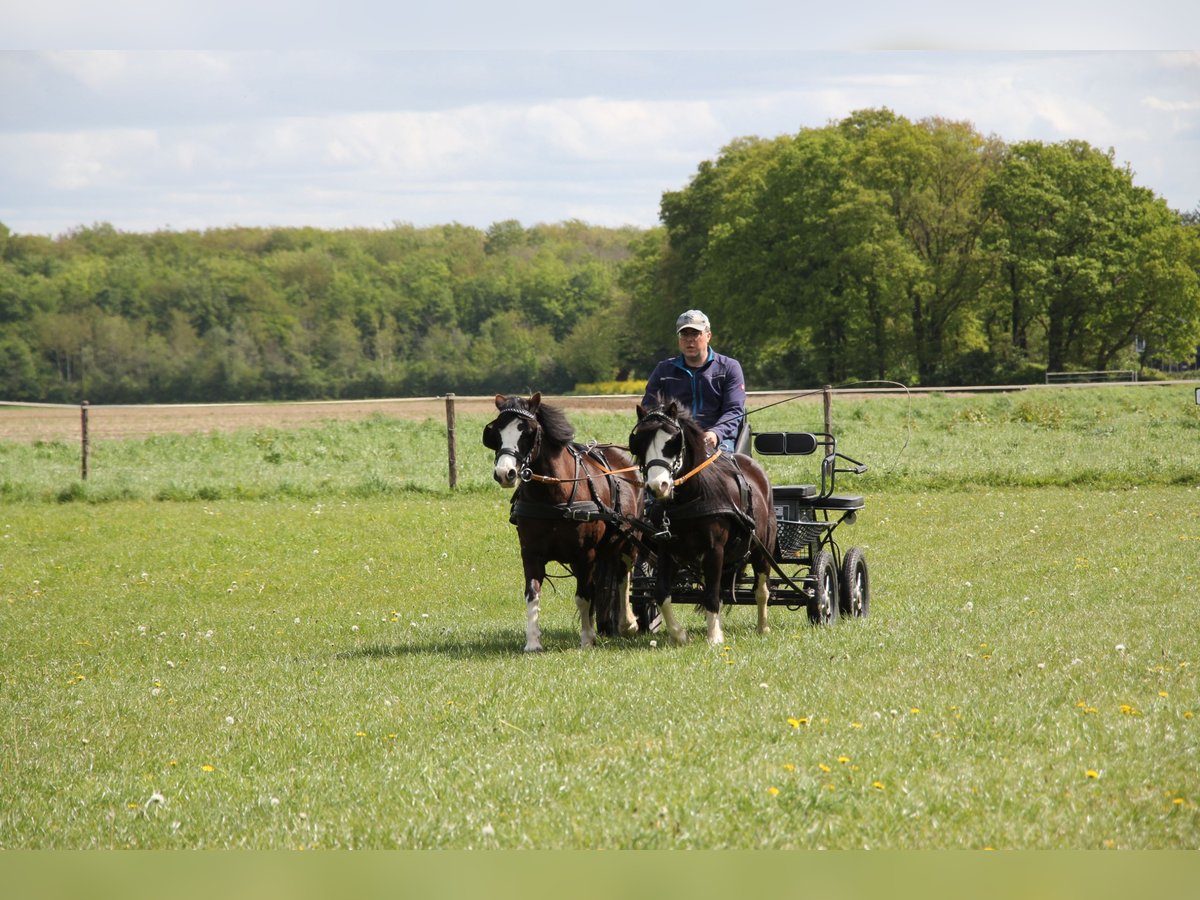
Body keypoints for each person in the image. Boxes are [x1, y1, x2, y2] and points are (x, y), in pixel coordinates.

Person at [642, 309, 746, 454]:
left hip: (719, 440)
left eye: (695, 333)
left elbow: (734, 410)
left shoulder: (729, 367)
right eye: (684, 334)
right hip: (674, 439)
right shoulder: (663, 370)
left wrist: (716, 433)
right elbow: (649, 407)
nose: (689, 339)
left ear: (708, 335)